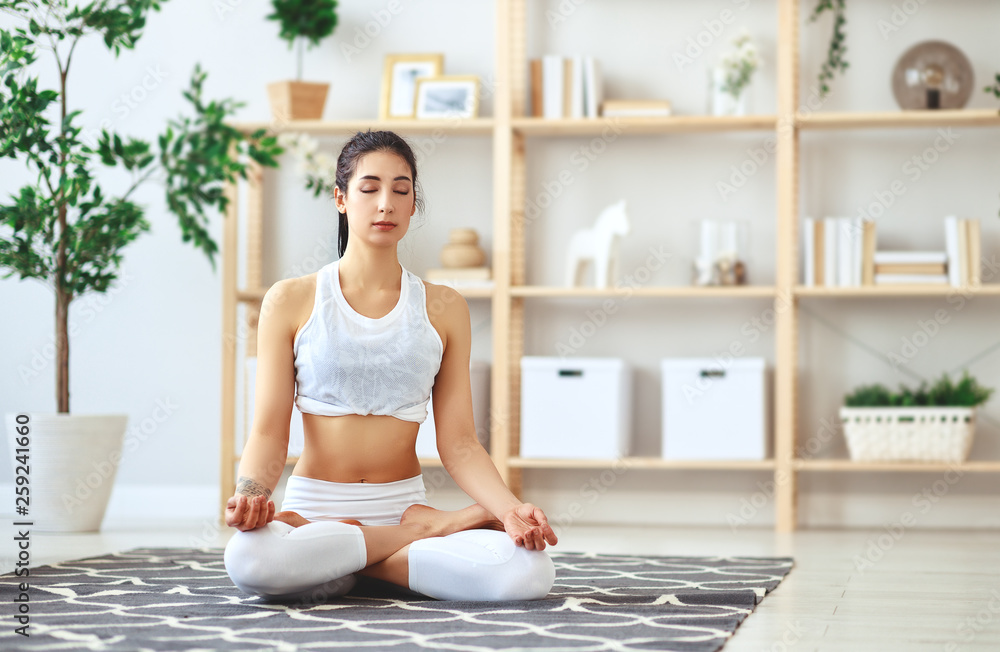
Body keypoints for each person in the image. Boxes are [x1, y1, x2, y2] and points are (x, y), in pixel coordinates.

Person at [223, 130, 558, 603]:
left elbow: (460, 443)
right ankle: (423, 536)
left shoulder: (444, 308)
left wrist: (509, 510)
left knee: (528, 573)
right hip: (315, 511)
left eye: (401, 190)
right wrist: (252, 493)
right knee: (248, 560)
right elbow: (268, 433)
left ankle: (341, 568)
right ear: (340, 198)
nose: (386, 203)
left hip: (399, 505)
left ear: (413, 204)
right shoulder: (290, 300)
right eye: (369, 188)